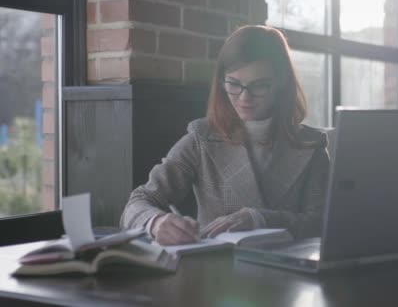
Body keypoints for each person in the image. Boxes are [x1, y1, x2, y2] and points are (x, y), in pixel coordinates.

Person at [120, 25, 329, 245]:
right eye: (234, 84)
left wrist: (261, 219)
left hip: (290, 274)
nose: (244, 97)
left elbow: (323, 222)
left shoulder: (310, 146)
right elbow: (138, 202)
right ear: (222, 82)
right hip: (215, 271)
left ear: (282, 82)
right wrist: (155, 222)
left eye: (259, 86)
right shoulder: (202, 139)